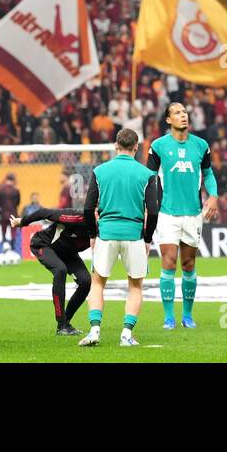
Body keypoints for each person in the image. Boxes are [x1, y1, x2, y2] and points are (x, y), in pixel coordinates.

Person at [78, 128, 160, 347]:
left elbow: (88, 208)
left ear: (116, 146)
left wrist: (93, 234)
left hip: (106, 233)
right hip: (133, 234)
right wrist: (147, 238)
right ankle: (126, 334)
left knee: (98, 283)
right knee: (135, 285)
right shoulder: (147, 175)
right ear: (136, 147)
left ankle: (94, 331)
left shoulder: (100, 171)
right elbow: (152, 211)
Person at [147, 101, 218, 330]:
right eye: (177, 113)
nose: (183, 115)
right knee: (168, 262)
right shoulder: (158, 146)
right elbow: (149, 179)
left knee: (188, 264)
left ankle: (187, 315)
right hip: (167, 213)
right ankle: (169, 317)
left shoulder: (201, 145)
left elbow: (208, 174)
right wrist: (149, 208)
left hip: (193, 213)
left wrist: (214, 196)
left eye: (185, 112)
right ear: (168, 120)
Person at [11, 202, 94, 335]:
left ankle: (66, 322)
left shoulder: (104, 228)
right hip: (43, 245)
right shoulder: (75, 216)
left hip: (68, 253)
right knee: (60, 270)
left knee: (86, 282)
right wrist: (23, 221)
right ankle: (61, 325)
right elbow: (44, 212)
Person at [0, 173, 21, 252]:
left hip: (3, 213)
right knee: (13, 232)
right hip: (13, 214)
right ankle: (12, 249)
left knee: (3, 231)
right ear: (13, 180)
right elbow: (18, 202)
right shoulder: (16, 190)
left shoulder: (1, 189)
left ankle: (4, 247)